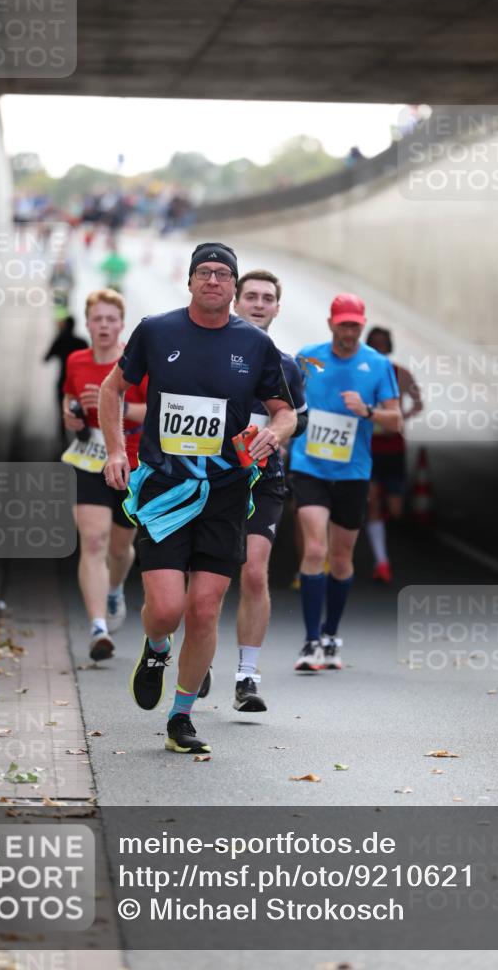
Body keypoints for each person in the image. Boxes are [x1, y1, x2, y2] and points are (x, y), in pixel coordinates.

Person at [99, 242, 296, 754]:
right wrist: (117, 450)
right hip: (165, 488)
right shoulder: (157, 330)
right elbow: (111, 389)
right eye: (204, 273)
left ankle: (181, 716)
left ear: (233, 287)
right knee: (166, 609)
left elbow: (284, 410)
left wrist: (275, 432)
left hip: (225, 493)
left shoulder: (255, 345)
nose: (214, 281)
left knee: (204, 609)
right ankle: (157, 646)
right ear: (189, 281)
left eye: (223, 274)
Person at [202, 269, 307, 712]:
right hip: (212, 475)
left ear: (277, 308)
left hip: (264, 478)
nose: (259, 304)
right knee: (207, 577)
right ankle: (199, 656)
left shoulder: (286, 365)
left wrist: (273, 434)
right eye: (252, 296)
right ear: (236, 301)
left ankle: (247, 675)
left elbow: (296, 419)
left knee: (253, 570)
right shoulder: (207, 353)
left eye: (268, 298)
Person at [290, 294, 402, 671]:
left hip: (353, 472)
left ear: (362, 324)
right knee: (315, 548)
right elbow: (282, 399)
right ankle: (309, 642)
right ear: (331, 323)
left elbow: (395, 420)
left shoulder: (377, 364)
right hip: (309, 467)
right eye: (344, 324)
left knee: (341, 558)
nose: (349, 331)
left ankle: (331, 634)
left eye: (355, 324)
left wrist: (367, 411)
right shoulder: (308, 357)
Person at [62, 289, 147, 661]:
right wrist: (72, 414)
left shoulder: (136, 361)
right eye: (98, 318)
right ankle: (98, 626)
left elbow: (156, 411)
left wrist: (115, 405)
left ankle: (115, 588)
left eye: (112, 319)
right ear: (88, 323)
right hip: (89, 460)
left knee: (119, 548)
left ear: (121, 324)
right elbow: (69, 398)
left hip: (132, 462)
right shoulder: (76, 361)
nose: (105, 325)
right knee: (93, 541)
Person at [365, 326, 423, 583]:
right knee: (373, 501)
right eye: (373, 343)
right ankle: (382, 562)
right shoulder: (361, 373)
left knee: (395, 508)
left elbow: (419, 403)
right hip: (367, 448)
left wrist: (400, 418)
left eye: (382, 343)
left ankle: (381, 527)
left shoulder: (402, 374)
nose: (378, 348)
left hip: (394, 449)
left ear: (389, 347)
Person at [44, 315, 88, 445]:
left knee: (63, 413)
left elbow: (46, 358)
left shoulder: (60, 341)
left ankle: (63, 443)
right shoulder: (81, 342)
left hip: (63, 382)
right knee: (80, 413)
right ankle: (82, 442)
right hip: (78, 384)